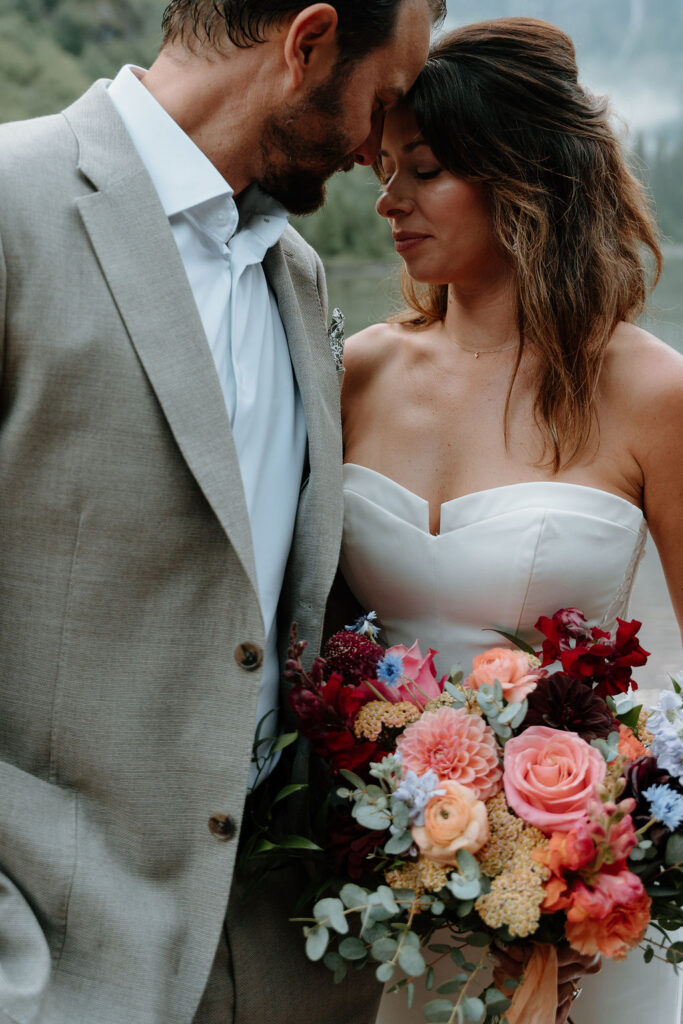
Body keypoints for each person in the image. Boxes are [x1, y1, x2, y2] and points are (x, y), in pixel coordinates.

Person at [0, 0, 447, 1021]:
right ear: (306, 44)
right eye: (378, 105)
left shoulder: (297, 273)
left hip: (277, 964)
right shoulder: (12, 201)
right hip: (48, 966)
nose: (377, 150)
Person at [339, 18, 683, 1024]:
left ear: (522, 176)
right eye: (386, 165)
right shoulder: (353, 372)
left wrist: (618, 872)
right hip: (382, 904)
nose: (387, 199)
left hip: (581, 906)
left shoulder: (650, 389)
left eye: (426, 168)